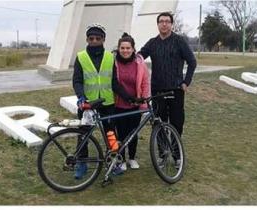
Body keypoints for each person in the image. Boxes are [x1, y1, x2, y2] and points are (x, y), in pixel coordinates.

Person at [138, 12, 197, 165]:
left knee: (176, 124)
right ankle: (163, 154)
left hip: (176, 90)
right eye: (161, 21)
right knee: (159, 124)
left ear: (171, 24)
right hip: (157, 91)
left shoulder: (179, 41)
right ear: (157, 24)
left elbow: (192, 62)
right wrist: (124, 55)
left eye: (167, 21)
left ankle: (177, 156)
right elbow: (139, 57)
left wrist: (186, 82)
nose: (164, 24)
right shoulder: (152, 43)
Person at [72, 23, 117, 179]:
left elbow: (115, 81)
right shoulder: (81, 57)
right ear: (87, 39)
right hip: (88, 104)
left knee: (111, 134)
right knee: (83, 134)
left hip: (107, 102)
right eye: (91, 38)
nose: (94, 41)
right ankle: (81, 163)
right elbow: (77, 80)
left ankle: (113, 161)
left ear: (103, 39)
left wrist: (129, 98)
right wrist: (80, 96)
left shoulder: (111, 57)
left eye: (98, 38)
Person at [112, 33, 150, 171]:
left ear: (133, 49)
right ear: (118, 49)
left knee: (133, 133)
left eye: (128, 48)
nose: (125, 50)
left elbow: (145, 83)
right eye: (122, 48)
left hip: (135, 104)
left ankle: (132, 158)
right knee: (120, 134)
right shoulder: (113, 62)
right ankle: (121, 159)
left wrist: (144, 103)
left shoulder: (140, 63)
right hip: (118, 104)